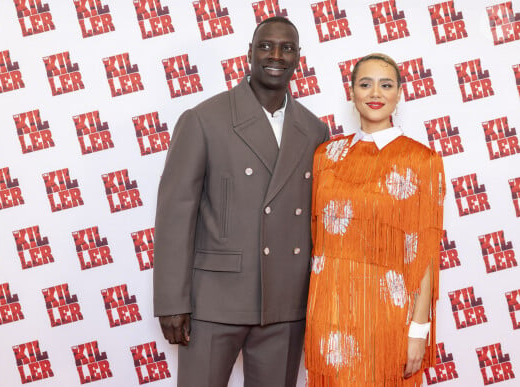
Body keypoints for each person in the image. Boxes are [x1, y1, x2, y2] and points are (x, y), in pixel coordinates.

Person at [153, 16, 327, 387]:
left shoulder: (314, 130)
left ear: (299, 58)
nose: (276, 55)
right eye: (266, 46)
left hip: (285, 302)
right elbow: (175, 214)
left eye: (287, 47)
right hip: (214, 300)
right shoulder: (204, 119)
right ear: (249, 53)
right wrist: (172, 301)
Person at [305, 53, 445, 386]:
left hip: (388, 313)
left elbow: (423, 254)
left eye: (386, 85)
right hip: (329, 309)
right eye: (365, 84)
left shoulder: (421, 160)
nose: (375, 94)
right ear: (351, 93)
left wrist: (418, 329)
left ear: (399, 93)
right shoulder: (326, 155)